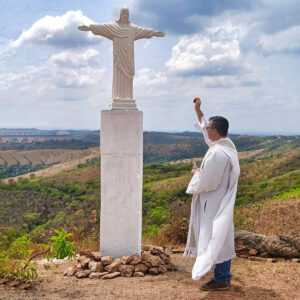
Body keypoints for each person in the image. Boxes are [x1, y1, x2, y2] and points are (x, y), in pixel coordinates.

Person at [184, 97, 240, 291]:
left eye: (208, 128)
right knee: (221, 237)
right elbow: (205, 131)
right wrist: (199, 110)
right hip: (220, 201)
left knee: (216, 238)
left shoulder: (217, 153)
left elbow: (209, 181)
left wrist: (196, 174)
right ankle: (222, 276)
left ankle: (222, 278)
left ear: (215, 131)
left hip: (214, 203)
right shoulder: (226, 145)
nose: (205, 130)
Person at [78, 7, 165, 100]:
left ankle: (128, 96)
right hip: (119, 56)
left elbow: (144, 31)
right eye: (123, 13)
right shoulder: (114, 27)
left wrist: (154, 33)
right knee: (119, 74)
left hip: (128, 57)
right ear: (120, 15)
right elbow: (102, 27)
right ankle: (117, 96)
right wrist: (89, 27)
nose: (125, 16)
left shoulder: (132, 29)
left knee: (128, 75)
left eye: (126, 14)